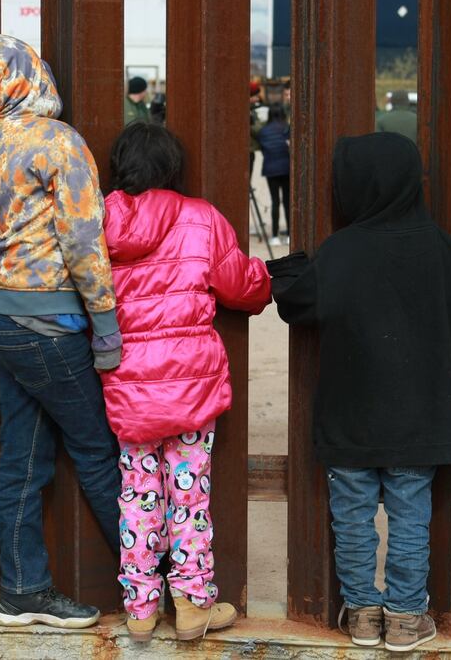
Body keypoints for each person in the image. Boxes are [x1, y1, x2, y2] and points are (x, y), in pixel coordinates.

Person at [268, 133, 451, 653]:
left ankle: (363, 614)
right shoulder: (440, 249)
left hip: (349, 420)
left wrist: (291, 266)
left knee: (352, 518)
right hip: (419, 420)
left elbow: (297, 304)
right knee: (411, 519)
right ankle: (407, 618)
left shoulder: (342, 250)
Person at [0, 34, 123, 630]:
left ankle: (22, 590)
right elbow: (84, 240)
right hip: (49, 321)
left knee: (23, 460)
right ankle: (160, 585)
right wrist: (105, 328)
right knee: (99, 453)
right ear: (33, 74)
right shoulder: (59, 142)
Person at [100, 122, 272, 641]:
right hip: (191, 385)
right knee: (189, 493)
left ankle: (140, 609)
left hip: (128, 384)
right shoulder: (201, 218)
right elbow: (241, 286)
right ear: (174, 167)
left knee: (136, 493)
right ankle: (194, 605)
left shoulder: (98, 219)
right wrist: (267, 277)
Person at [257, 103, 291, 246]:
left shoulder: (264, 131)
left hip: (270, 169)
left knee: (275, 202)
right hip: (286, 168)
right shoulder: (286, 128)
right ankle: (290, 234)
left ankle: (275, 236)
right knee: (288, 202)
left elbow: (263, 148)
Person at [249, 81, 264, 177]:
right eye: (256, 96)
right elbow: (257, 130)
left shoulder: (252, 110)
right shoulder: (250, 112)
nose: (257, 99)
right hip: (248, 151)